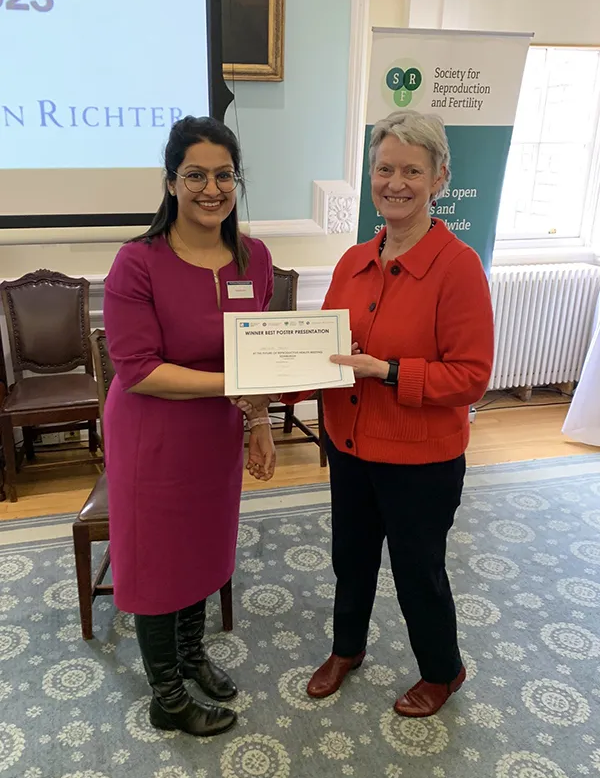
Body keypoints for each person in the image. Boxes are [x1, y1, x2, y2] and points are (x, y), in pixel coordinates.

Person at [237, 110, 494, 717]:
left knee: (417, 571)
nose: (395, 182)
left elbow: (473, 377)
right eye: (384, 169)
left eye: (411, 170)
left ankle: (442, 670)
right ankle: (346, 649)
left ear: (439, 179)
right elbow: (323, 356)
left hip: (421, 461)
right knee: (349, 559)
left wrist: (391, 370)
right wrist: (267, 388)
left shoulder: (459, 267)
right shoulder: (353, 261)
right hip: (349, 447)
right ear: (371, 176)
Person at [103, 116, 276, 737]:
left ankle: (193, 656)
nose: (212, 188)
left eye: (224, 174)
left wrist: (257, 420)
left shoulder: (254, 257)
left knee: (203, 549)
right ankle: (167, 696)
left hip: (215, 438)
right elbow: (137, 370)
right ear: (171, 182)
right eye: (195, 175)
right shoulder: (137, 262)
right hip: (153, 435)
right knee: (157, 562)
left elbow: (253, 351)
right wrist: (235, 390)